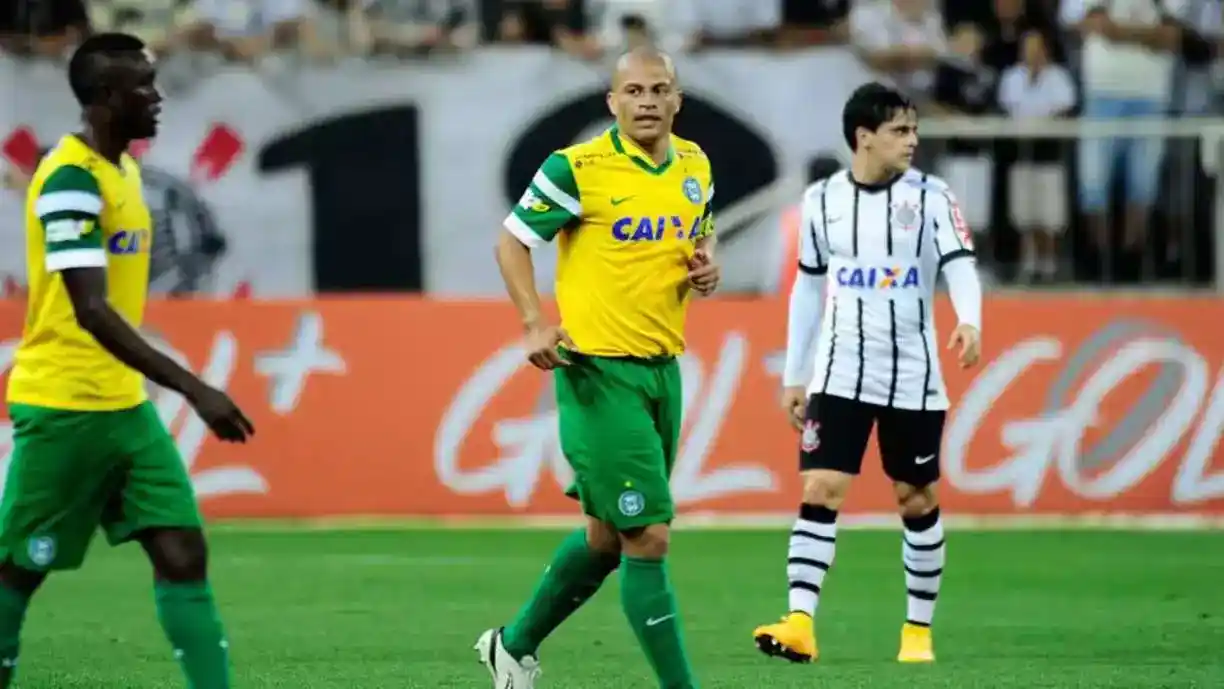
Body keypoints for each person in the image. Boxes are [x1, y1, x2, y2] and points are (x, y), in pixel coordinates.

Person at [0, 33, 254, 688]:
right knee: (19, 570)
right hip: (64, 404)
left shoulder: (124, 172)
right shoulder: (70, 180)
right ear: (109, 99)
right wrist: (195, 387)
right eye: (145, 85)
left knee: (181, 550)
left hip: (121, 406)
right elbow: (89, 308)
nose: (158, 96)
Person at [478, 46, 719, 689]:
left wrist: (706, 263)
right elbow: (511, 241)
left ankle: (513, 645)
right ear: (612, 102)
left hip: (663, 371)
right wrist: (534, 320)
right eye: (633, 91)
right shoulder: (577, 168)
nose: (647, 101)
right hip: (597, 373)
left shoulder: (694, 164)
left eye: (659, 89)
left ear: (677, 99)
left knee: (607, 538)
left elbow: (700, 230)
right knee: (649, 537)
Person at [752, 83, 983, 665]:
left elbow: (959, 264)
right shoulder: (821, 201)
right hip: (839, 371)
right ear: (864, 137)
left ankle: (917, 632)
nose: (913, 141)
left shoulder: (933, 196)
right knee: (821, 487)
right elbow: (808, 288)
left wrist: (970, 320)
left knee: (915, 497)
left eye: (913, 129)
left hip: (914, 374)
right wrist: (795, 374)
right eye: (900, 131)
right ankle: (800, 621)